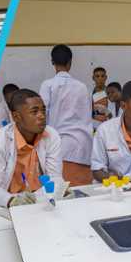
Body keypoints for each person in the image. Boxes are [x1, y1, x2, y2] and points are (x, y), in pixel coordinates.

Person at [0, 89, 63, 208]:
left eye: (43, 110)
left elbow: (55, 177)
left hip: (42, 202)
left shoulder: (51, 135)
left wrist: (54, 193)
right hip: (9, 202)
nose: (42, 116)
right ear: (16, 116)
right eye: (34, 112)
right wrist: (11, 201)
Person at [38, 44, 93, 186]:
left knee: (61, 191)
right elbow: (88, 115)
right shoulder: (82, 87)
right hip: (83, 145)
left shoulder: (48, 85)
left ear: (52, 62)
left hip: (58, 145)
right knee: (82, 191)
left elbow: (41, 116)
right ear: (70, 62)